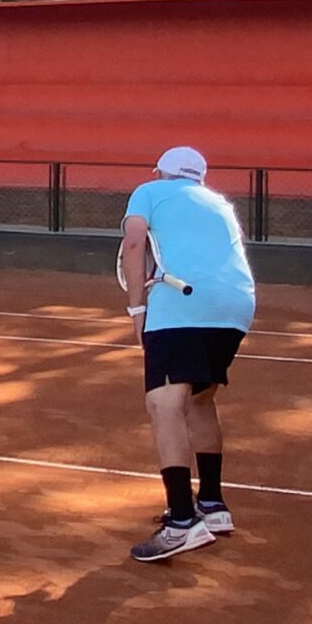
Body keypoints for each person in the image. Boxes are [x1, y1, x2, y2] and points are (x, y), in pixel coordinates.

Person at [121, 145, 256, 563]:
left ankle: (182, 520)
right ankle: (212, 505)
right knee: (200, 398)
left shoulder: (148, 191)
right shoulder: (220, 203)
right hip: (236, 306)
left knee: (164, 404)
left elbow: (133, 244)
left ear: (161, 172)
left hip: (181, 302)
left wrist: (137, 308)